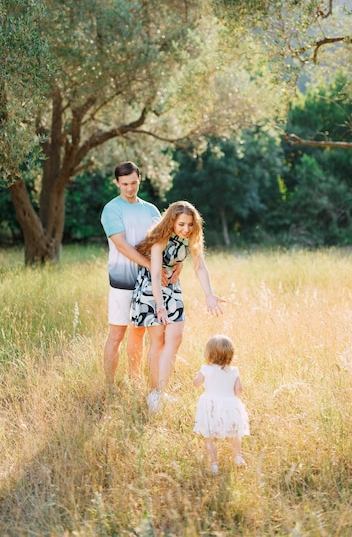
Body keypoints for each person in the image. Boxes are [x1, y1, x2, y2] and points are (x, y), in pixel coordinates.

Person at [130, 200, 225, 412]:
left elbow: (200, 266)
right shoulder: (160, 238)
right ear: (172, 221)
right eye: (181, 224)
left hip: (172, 288)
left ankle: (161, 392)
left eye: (190, 224)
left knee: (175, 339)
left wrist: (209, 295)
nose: (186, 229)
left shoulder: (191, 238)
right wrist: (159, 305)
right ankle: (154, 393)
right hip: (151, 290)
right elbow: (155, 274)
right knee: (158, 342)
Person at [100, 161, 180, 386]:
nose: (129, 188)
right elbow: (122, 246)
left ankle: (134, 380)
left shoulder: (151, 210)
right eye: (124, 184)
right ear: (117, 183)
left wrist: (178, 263)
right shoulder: (111, 209)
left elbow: (164, 242)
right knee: (116, 335)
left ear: (139, 179)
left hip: (147, 284)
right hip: (122, 281)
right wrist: (150, 265)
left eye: (133, 183)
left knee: (139, 333)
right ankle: (109, 386)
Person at [193, 334, 250, 475]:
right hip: (230, 406)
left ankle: (214, 465)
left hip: (211, 407)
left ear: (209, 353)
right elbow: (239, 390)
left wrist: (198, 375)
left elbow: (196, 384)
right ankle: (238, 457)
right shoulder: (234, 371)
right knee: (234, 434)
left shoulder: (206, 369)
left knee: (211, 437)